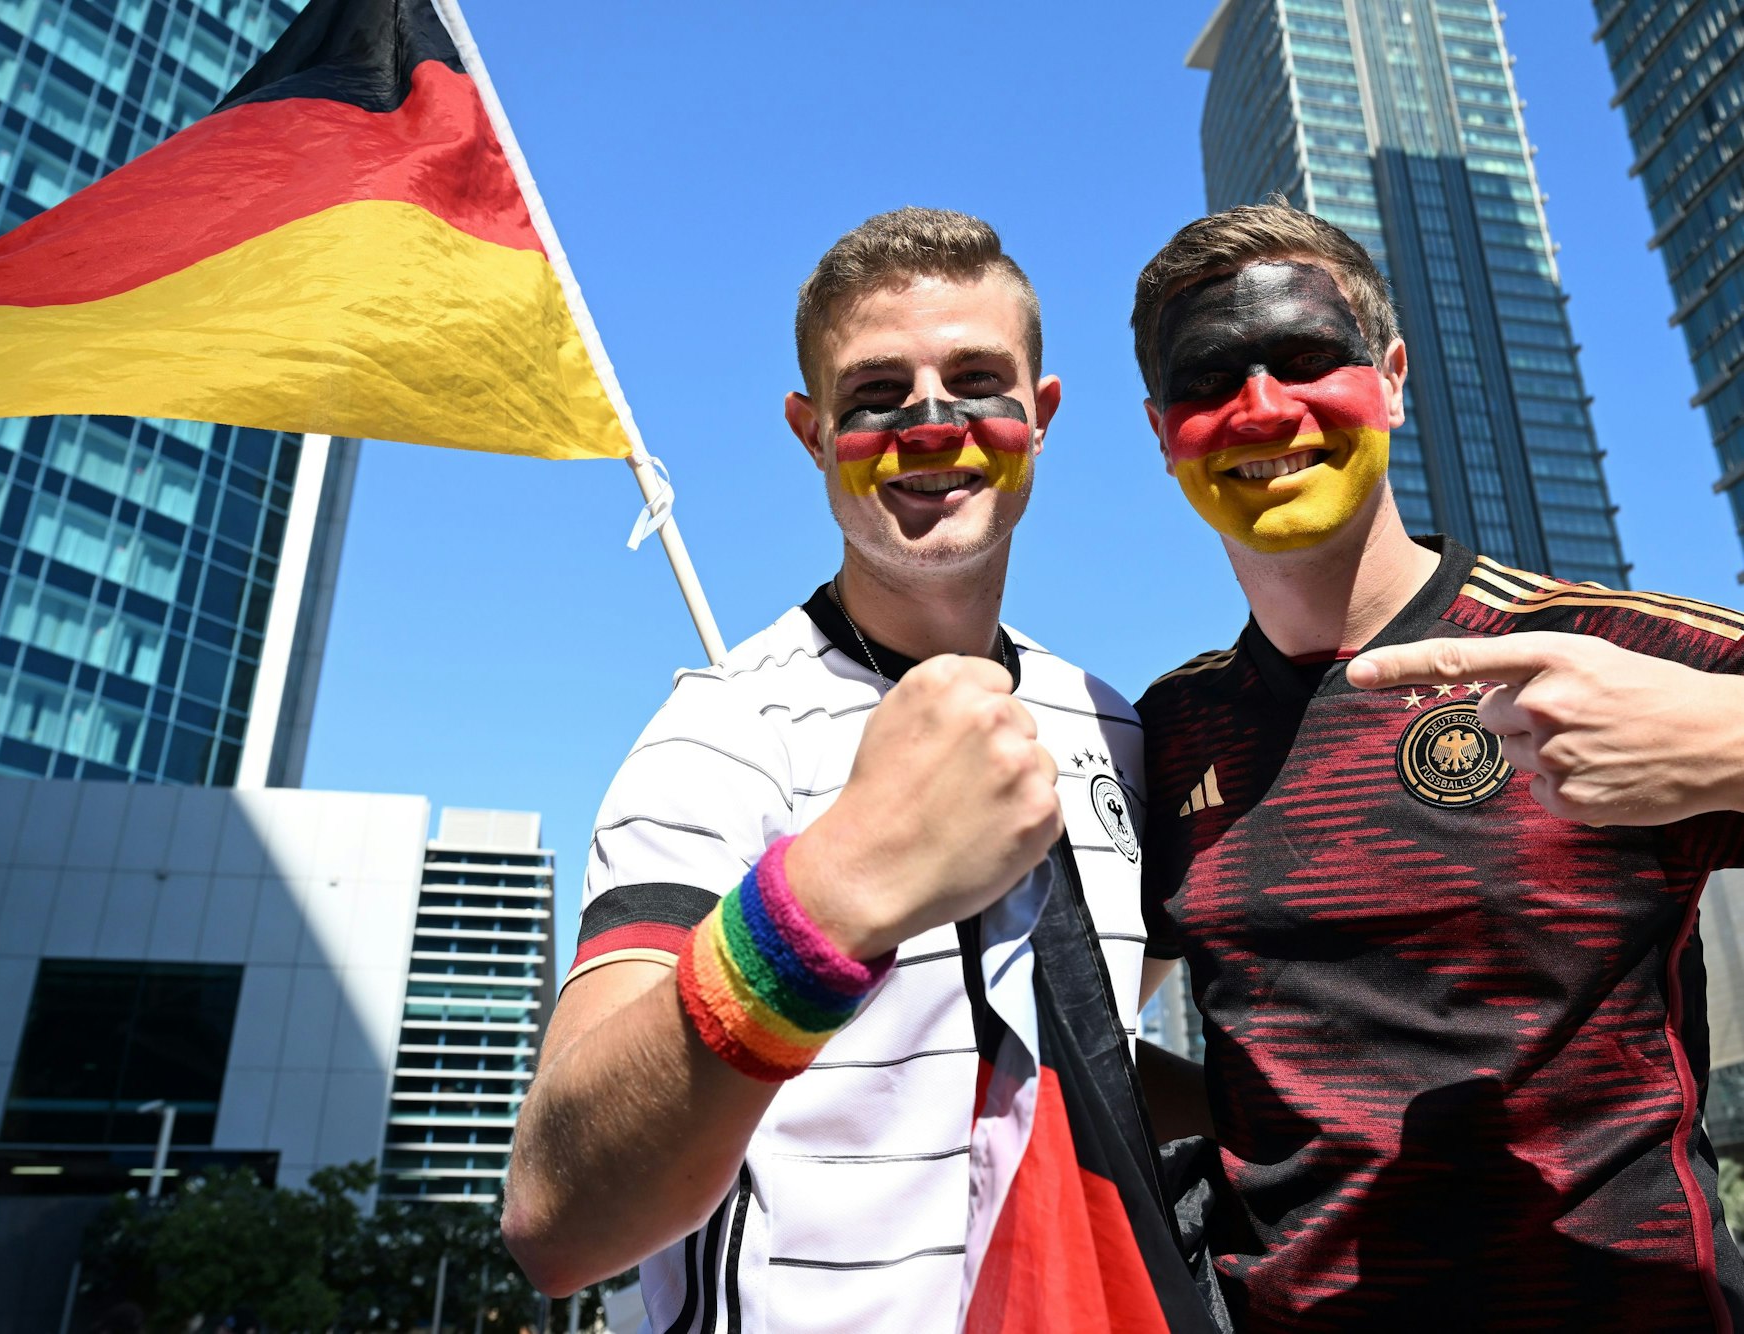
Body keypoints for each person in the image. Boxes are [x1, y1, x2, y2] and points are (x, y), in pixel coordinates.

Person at [501, 208, 1164, 1331]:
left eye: (976, 381)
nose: (932, 424)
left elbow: (1086, 1057)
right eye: (875, 396)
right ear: (810, 434)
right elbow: (557, 1216)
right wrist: (827, 899)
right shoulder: (722, 732)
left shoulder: (1114, 729)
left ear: (1042, 416)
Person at [1130, 200, 1744, 1331]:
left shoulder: (1599, 649)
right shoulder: (1162, 734)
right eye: (1209, 380)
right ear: (1164, 431)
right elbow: (1076, 1032)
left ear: (1394, 378)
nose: (1262, 407)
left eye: (1306, 359)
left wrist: (1730, 742)